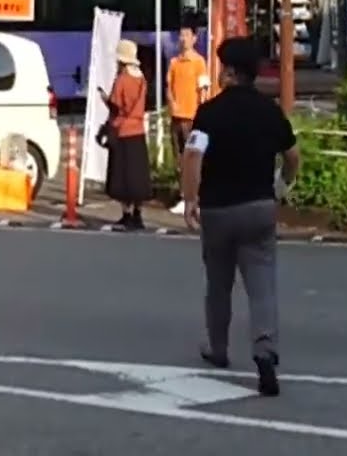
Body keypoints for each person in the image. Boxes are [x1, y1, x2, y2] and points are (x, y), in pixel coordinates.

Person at [179, 36, 301, 398]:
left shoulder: (210, 113)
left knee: (219, 283)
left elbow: (192, 156)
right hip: (260, 208)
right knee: (262, 284)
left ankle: (219, 349)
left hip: (218, 209)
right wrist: (280, 187)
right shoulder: (269, 111)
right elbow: (293, 156)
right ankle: (264, 351)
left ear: (230, 71)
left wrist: (190, 199)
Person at [98, 39, 152, 231]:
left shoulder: (122, 79)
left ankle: (126, 214)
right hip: (138, 131)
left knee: (122, 176)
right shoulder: (141, 78)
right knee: (138, 175)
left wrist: (104, 98)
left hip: (122, 130)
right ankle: (138, 214)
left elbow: (116, 106)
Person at [165, 26, 210, 214]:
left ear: (194, 38)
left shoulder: (199, 62)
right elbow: (168, 87)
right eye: (181, 35)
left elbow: (204, 90)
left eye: (186, 35)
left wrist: (202, 113)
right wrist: (172, 103)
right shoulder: (174, 62)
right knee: (179, 159)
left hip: (192, 118)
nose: (183, 39)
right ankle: (184, 196)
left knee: (193, 159)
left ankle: (194, 197)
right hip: (176, 117)